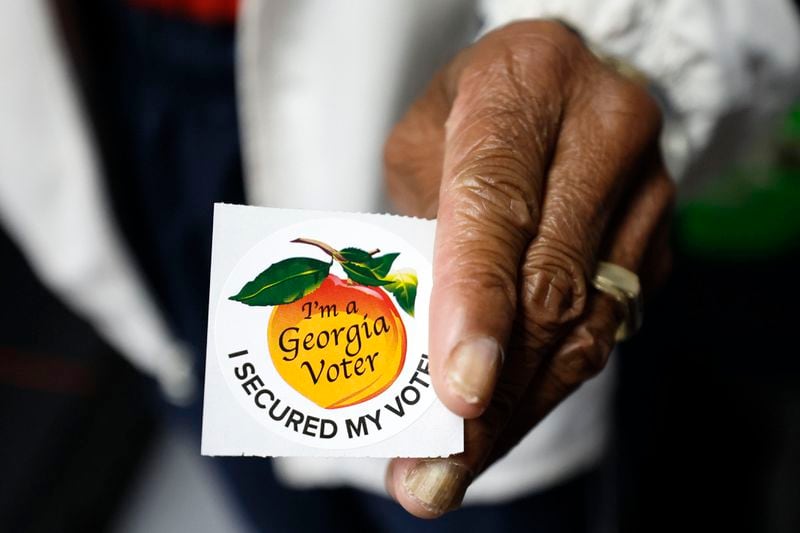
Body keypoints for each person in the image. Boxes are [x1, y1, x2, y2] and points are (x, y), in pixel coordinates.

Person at [1, 0, 798, 530]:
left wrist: (631, 52)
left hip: (453, 100)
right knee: (253, 468)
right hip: (102, 96)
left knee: (500, 494)